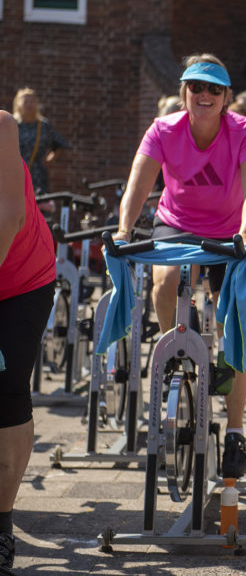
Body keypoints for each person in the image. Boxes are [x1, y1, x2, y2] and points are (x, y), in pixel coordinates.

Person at [112, 53, 246, 479]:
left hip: (230, 230)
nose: (203, 94)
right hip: (177, 224)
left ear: (226, 97)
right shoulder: (164, 129)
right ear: (184, 92)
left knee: (235, 319)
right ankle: (178, 351)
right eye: (195, 86)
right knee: (163, 284)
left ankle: (235, 431)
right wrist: (125, 230)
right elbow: (138, 185)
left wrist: (245, 235)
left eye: (213, 89)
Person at [0, 111, 57, 574]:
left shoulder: (0, 127)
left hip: (21, 278)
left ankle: (1, 527)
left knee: (7, 390)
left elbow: (10, 215)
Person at [12, 87, 69, 194]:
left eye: (32, 101)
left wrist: (49, 160)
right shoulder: (12, 124)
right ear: (18, 104)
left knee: (37, 205)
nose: (29, 105)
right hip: (14, 173)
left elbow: (60, 144)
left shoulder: (43, 125)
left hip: (36, 175)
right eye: (26, 101)